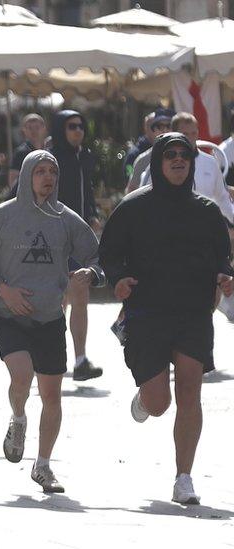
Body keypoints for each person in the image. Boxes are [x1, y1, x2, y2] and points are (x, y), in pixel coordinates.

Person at [100, 132, 234, 505]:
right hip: (147, 312)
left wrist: (225, 276)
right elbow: (109, 252)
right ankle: (146, 401)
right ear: (158, 162)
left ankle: (184, 477)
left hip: (193, 312)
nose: (179, 160)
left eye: (185, 155)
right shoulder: (134, 207)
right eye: (170, 154)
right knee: (160, 402)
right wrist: (118, 280)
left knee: (190, 388)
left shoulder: (207, 211)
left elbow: (222, 256)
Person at [0, 150, 105, 493]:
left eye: (53, 172)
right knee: (21, 375)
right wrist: (4, 292)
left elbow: (96, 255)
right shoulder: (1, 216)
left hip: (49, 316)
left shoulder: (66, 218)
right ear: (27, 174)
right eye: (40, 171)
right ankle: (18, 418)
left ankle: (43, 465)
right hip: (8, 313)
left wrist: (91, 272)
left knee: (52, 396)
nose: (47, 178)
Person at [46, 110, 103, 382]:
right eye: (72, 126)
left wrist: (92, 214)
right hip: (52, 241)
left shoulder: (83, 157)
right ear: (60, 129)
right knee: (58, 303)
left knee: (79, 296)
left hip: (78, 241)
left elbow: (87, 191)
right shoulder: (48, 161)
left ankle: (80, 360)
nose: (78, 131)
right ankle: (51, 358)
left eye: (81, 126)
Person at [139, 113, 234, 225]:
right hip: (169, 229)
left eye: (194, 133)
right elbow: (145, 199)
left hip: (204, 231)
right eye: (185, 134)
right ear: (174, 133)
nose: (190, 138)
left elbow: (222, 199)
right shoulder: (160, 164)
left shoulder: (211, 163)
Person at [124, 112, 171, 193]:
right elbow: (129, 172)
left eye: (168, 126)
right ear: (145, 127)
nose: (164, 130)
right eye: (159, 126)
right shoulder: (135, 154)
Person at [8, 113, 47, 189]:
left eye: (37, 127)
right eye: (30, 128)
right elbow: (13, 182)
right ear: (24, 130)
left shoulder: (49, 151)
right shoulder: (20, 153)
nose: (34, 131)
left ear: (44, 128)